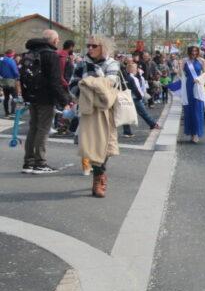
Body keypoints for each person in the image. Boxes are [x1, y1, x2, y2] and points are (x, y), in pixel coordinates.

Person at [71, 36, 122, 196]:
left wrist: (87, 83)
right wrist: (92, 85)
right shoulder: (81, 63)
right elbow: (73, 87)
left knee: (106, 146)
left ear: (103, 47)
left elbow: (109, 87)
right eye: (88, 45)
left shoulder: (112, 63)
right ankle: (98, 178)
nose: (90, 48)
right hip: (88, 111)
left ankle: (100, 175)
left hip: (107, 112)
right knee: (91, 146)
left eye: (94, 45)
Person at [20, 30, 71, 174]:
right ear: (54, 41)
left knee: (33, 128)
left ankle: (28, 162)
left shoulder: (28, 53)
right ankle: (40, 163)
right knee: (43, 129)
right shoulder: (50, 55)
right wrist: (64, 100)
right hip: (46, 98)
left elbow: (22, 77)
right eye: (57, 39)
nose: (58, 41)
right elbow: (55, 81)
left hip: (31, 95)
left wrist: (26, 96)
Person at [122, 60, 160, 134]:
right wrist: (140, 97)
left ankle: (127, 131)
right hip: (135, 98)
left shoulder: (126, 77)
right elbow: (136, 89)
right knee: (143, 112)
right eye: (136, 68)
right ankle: (153, 124)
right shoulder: (133, 78)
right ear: (132, 69)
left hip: (127, 97)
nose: (137, 70)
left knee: (126, 114)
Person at [180, 45, 205, 144]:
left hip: (197, 86)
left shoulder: (202, 61)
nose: (194, 53)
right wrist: (178, 67)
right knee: (189, 110)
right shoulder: (185, 61)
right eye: (192, 51)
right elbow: (180, 73)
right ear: (189, 51)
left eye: (196, 51)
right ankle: (191, 133)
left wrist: (200, 78)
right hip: (188, 86)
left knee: (197, 110)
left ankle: (196, 134)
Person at [1, 49, 20, 118]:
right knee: (15, 97)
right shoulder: (11, 61)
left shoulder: (1, 61)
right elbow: (15, 71)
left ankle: (7, 113)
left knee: (6, 97)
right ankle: (13, 112)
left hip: (3, 81)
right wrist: (18, 76)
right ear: (11, 54)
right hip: (11, 81)